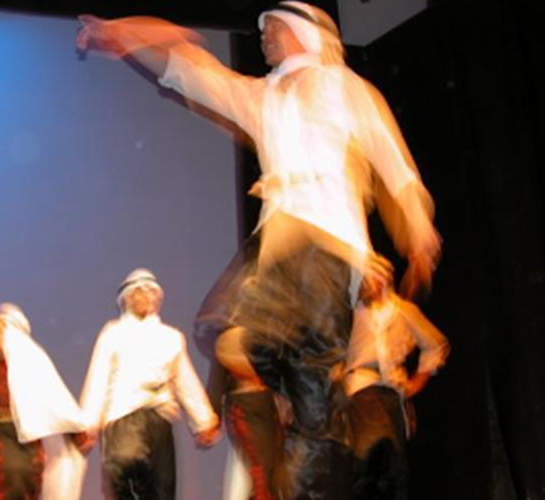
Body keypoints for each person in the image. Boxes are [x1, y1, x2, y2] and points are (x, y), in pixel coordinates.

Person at [76, 3, 441, 498]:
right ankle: (303, 393)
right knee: (221, 329)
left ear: (305, 33)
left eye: (273, 27)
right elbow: (189, 68)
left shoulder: (345, 87)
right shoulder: (263, 95)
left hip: (330, 245)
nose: (262, 34)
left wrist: (418, 228)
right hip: (277, 244)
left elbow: (394, 163)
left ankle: (315, 421)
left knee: (313, 419)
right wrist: (122, 32)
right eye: (262, 27)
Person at [78, 269, 220, 500]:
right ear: (126, 298)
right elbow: (98, 378)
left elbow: (185, 381)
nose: (145, 296)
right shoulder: (113, 334)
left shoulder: (171, 337)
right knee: (122, 484)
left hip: (159, 420)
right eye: (138, 291)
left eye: (150, 292)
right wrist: (87, 424)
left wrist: (203, 421)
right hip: (122, 417)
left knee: (161, 491)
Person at [0, 303, 88, 500]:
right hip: (0, 437)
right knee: (11, 479)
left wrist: (77, 433)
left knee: (29, 486)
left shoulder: (34, 366)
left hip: (29, 440)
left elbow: (57, 402)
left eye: (0, 330)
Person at [344, 280, 449, 500]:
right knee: (365, 458)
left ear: (385, 281)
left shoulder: (403, 311)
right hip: (361, 391)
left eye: (374, 277)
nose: (369, 283)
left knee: (393, 466)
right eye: (364, 278)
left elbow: (436, 345)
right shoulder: (351, 310)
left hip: (392, 393)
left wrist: (416, 382)